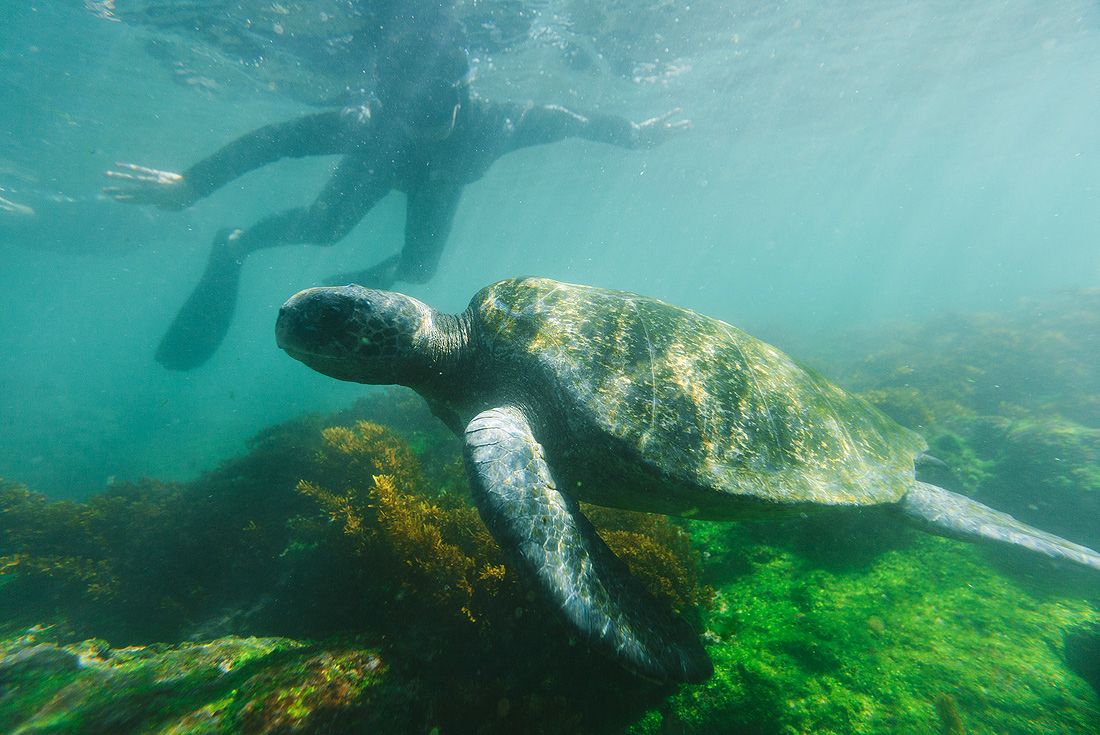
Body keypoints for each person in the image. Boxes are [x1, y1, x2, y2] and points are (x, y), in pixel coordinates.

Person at [105, 40, 689, 370]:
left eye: (434, 107)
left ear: (463, 95)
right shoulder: (374, 123)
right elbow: (277, 141)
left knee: (420, 269)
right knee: (321, 227)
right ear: (389, 101)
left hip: (439, 185)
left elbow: (573, 122)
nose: (421, 122)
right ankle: (235, 244)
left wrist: (634, 133)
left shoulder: (499, 124)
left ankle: (350, 292)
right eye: (406, 109)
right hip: (377, 167)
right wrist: (193, 184)